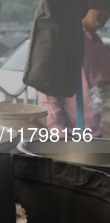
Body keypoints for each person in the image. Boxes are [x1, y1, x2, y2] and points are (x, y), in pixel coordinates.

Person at [39, 8, 110, 137]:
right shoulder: (67, 40)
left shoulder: (99, 44)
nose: (106, 13)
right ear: (85, 6)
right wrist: (59, 135)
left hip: (104, 131)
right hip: (78, 136)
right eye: (100, 8)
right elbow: (48, 94)